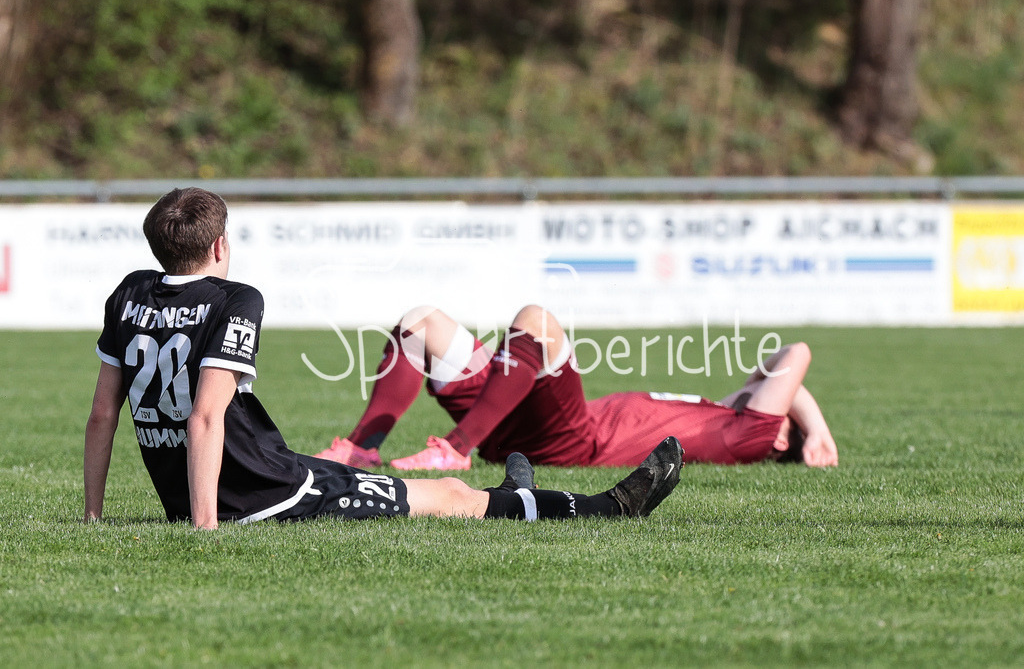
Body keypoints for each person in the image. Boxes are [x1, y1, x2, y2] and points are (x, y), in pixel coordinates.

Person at [83, 188, 682, 530]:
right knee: (447, 497)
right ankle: (607, 507)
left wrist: (93, 516)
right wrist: (206, 529)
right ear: (220, 245)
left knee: (438, 488)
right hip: (267, 492)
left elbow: (103, 414)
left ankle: (517, 492)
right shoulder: (236, 299)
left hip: (256, 472)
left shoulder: (129, 292)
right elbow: (206, 418)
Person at [313, 304, 839, 471]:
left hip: (569, 438)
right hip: (516, 416)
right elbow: (773, 376)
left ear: (778, 437)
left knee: (536, 321)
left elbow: (795, 358)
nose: (755, 394)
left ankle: (455, 450)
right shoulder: (728, 417)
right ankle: (363, 448)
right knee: (419, 322)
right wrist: (803, 421)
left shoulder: (746, 437)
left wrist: (816, 431)